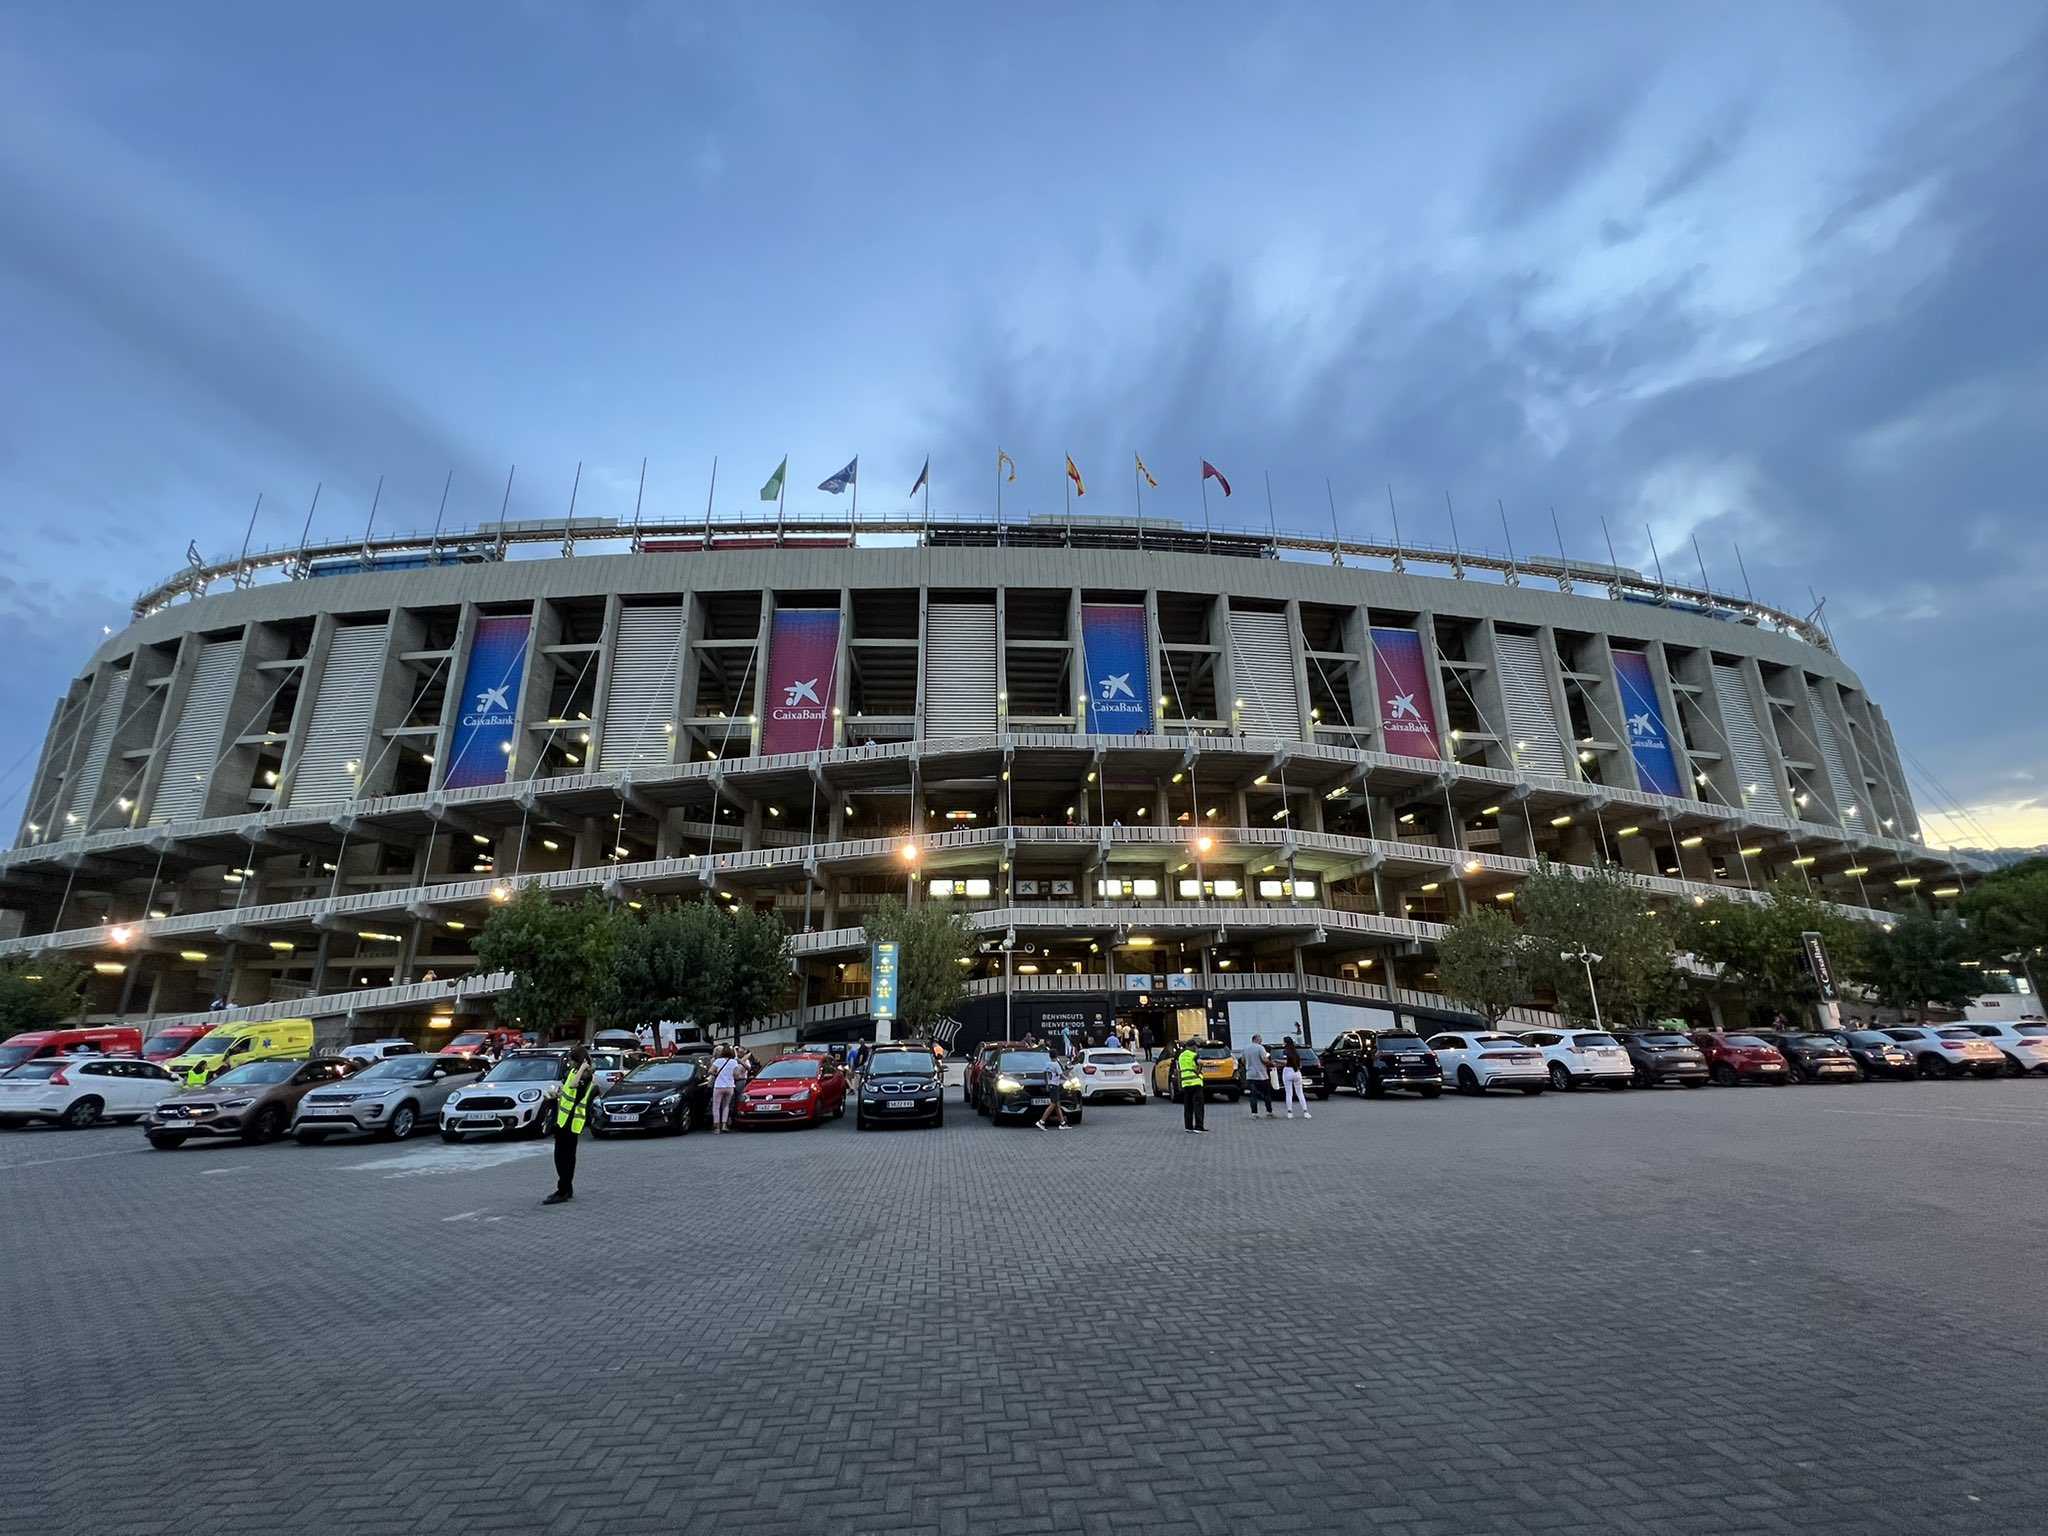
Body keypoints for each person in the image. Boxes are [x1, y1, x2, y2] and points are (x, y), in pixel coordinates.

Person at [543, 1045, 596, 1205]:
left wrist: (583, 1068)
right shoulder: (573, 1073)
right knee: (560, 1156)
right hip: (563, 1120)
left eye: (572, 1060)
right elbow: (568, 1091)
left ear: (580, 1061)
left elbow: (574, 1086)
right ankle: (567, 1188)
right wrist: (556, 1095)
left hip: (572, 1122)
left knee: (566, 1158)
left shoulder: (585, 1077)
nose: (569, 1063)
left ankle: (563, 1191)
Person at [710, 1045, 742, 1133]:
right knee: (726, 1106)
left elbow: (710, 1071)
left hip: (719, 1086)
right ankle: (724, 1125)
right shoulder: (734, 1062)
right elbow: (737, 1074)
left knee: (716, 1106)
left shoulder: (718, 1061)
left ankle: (716, 1127)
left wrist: (716, 1074)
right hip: (730, 1086)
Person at [1176, 1040, 1206, 1133]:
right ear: (1192, 1047)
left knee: (1188, 1106)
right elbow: (1201, 1063)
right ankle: (1198, 1126)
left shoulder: (1181, 1056)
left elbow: (1179, 1069)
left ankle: (1188, 1126)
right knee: (1198, 1105)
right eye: (1195, 1047)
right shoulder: (1193, 1055)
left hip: (1186, 1083)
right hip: (1195, 1083)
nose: (1196, 1049)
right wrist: (1199, 1070)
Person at [1242, 1034, 1275, 1118]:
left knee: (1253, 1095)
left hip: (1250, 1075)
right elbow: (1264, 1059)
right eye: (1261, 1040)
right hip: (1261, 1075)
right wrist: (1271, 1064)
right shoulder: (1260, 1048)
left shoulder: (1246, 1048)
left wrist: (1248, 1066)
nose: (1261, 1041)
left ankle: (1254, 1113)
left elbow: (1243, 1060)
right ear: (1258, 1040)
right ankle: (1269, 1111)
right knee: (1266, 1094)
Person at [1280, 1036, 1311, 1119]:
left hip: (1288, 1071)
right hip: (1297, 1072)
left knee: (1289, 1093)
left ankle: (1290, 1112)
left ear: (1286, 1043)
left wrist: (1277, 1061)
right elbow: (1300, 1064)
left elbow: (1285, 1062)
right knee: (1300, 1093)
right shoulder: (1296, 1052)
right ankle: (1305, 1111)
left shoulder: (1285, 1051)